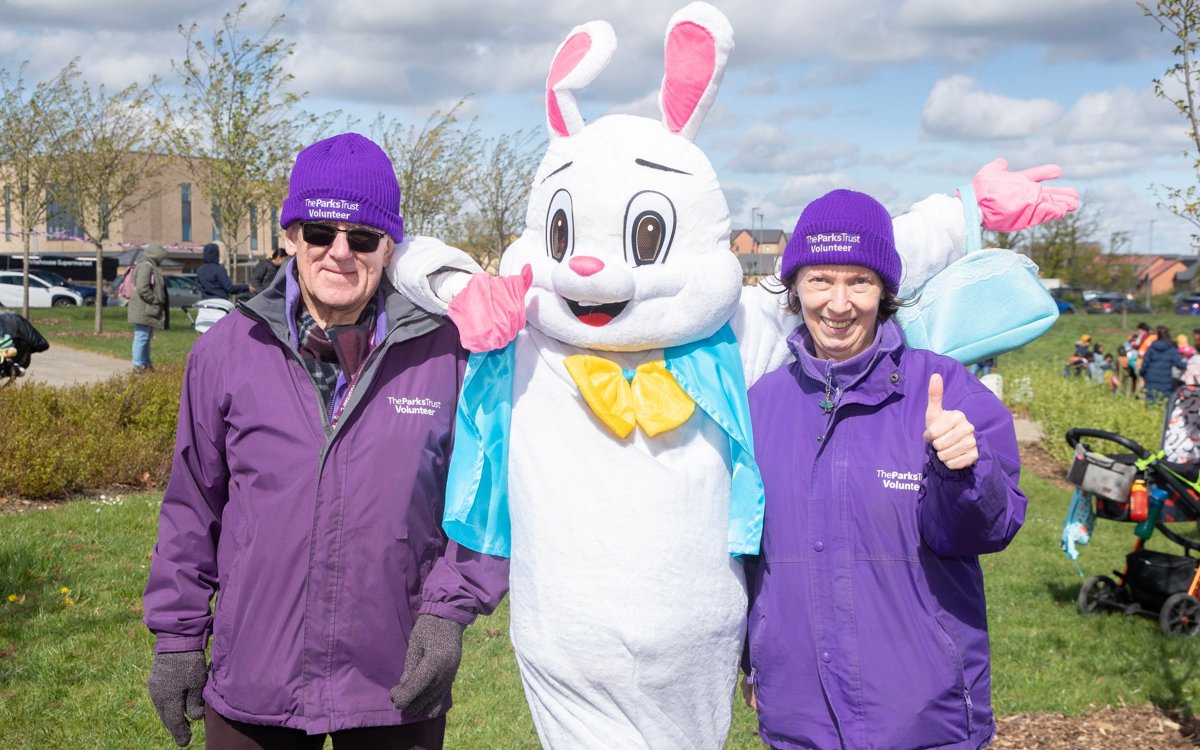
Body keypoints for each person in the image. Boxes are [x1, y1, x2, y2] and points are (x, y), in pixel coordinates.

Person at [142, 132, 509, 749]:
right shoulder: (227, 351)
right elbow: (192, 507)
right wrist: (177, 639)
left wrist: (447, 616)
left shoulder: (450, 355)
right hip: (254, 674)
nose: (340, 253)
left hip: (395, 678)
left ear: (391, 247)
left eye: (362, 238)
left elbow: (485, 499)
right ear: (289, 237)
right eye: (319, 233)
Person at [743, 190, 1026, 750]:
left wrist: (964, 470)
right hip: (799, 715)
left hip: (923, 715)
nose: (839, 303)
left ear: (886, 291)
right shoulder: (759, 405)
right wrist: (752, 659)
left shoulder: (945, 390)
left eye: (861, 282)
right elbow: (745, 551)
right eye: (821, 279)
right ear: (795, 287)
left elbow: (989, 530)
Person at [127, 244, 168, 373]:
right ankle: (138, 364)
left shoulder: (148, 266)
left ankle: (145, 362)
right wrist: (155, 299)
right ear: (155, 255)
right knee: (141, 336)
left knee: (145, 336)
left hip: (146, 308)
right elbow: (142, 288)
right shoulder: (146, 266)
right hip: (143, 308)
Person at [1140, 324, 1184, 402]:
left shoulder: (1152, 348)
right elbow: (1179, 364)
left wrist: (1142, 373)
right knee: (1164, 399)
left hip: (1151, 377)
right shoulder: (1172, 348)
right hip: (1166, 378)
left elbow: (1145, 363)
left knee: (1151, 399)